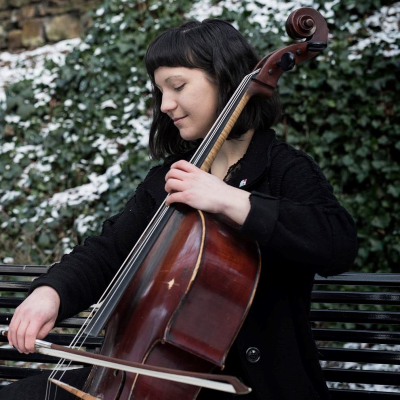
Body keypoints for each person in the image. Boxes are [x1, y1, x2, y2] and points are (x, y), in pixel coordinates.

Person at [2, 18, 357, 400]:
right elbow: (108, 251)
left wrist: (228, 200)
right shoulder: (168, 179)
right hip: (157, 378)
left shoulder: (284, 169)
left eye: (178, 86)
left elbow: (336, 242)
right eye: (160, 91)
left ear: (225, 78)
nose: (166, 104)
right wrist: (51, 292)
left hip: (255, 386)